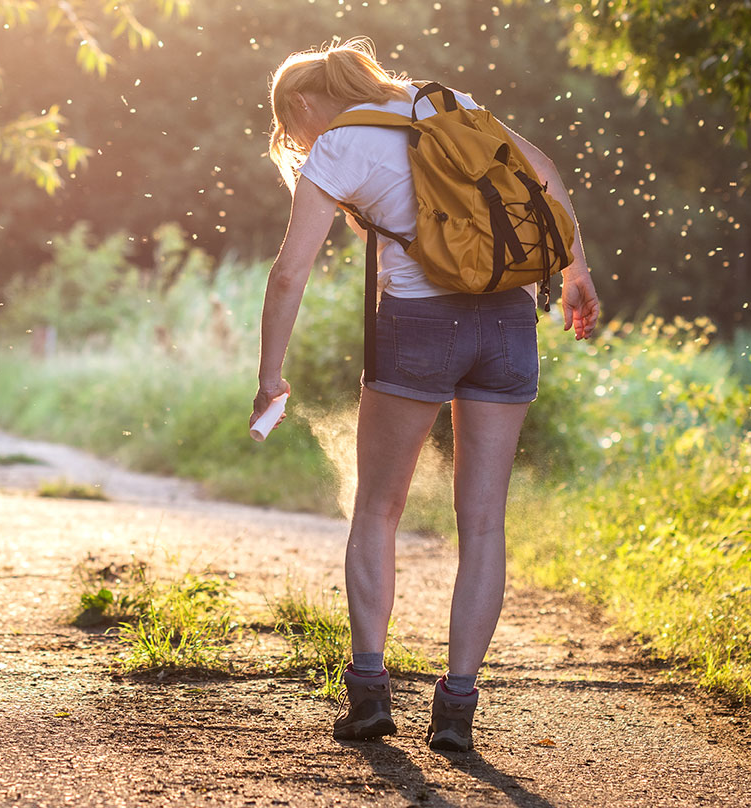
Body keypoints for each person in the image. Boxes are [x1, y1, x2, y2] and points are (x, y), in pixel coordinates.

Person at [250, 38, 600, 752]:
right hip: (507, 321)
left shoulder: (340, 145)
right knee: (484, 524)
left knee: (378, 507)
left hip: (417, 325)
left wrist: (269, 374)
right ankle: (457, 709)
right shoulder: (446, 104)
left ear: (302, 106)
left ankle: (371, 696)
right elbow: (546, 170)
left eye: (292, 128)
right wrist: (575, 274)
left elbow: (289, 274)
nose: (298, 141)